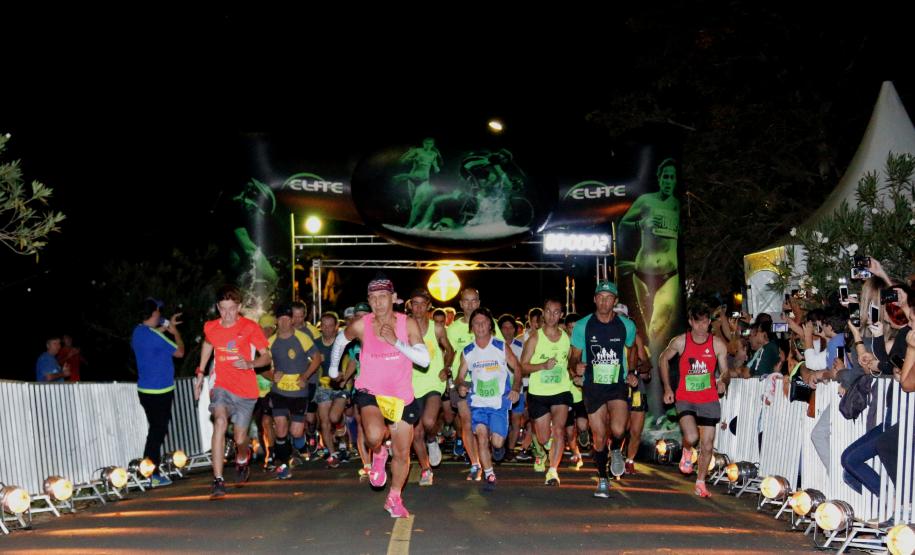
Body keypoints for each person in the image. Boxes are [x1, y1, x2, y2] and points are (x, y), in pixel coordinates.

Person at [327, 275, 429, 518]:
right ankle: (379, 452)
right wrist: (333, 368)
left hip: (401, 397)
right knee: (373, 436)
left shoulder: (408, 324)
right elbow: (342, 339)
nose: (378, 303)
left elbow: (424, 360)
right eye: (373, 298)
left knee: (403, 453)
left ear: (394, 299)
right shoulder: (363, 324)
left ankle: (394, 497)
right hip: (370, 392)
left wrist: (396, 342)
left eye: (383, 297)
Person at [194, 285, 272, 498]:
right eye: (223, 309)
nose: (227, 314)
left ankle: (241, 458)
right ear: (218, 307)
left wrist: (250, 363)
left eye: (231, 309)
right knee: (219, 421)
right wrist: (201, 373)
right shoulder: (211, 327)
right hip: (221, 385)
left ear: (239, 307)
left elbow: (266, 357)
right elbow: (208, 345)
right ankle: (218, 480)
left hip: (246, 391)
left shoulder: (250, 327)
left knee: (240, 438)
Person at [569, 281, 638, 498]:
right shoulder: (582, 326)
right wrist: (575, 367)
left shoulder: (626, 326)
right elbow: (573, 357)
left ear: (615, 301)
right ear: (594, 299)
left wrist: (632, 371)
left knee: (618, 429)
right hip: (593, 386)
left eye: (609, 297)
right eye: (600, 297)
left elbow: (632, 349)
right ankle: (602, 479)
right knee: (598, 436)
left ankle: (616, 448)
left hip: (616, 384)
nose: (604, 301)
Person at [658, 301, 729, 498]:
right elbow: (663, 358)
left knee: (707, 444)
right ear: (690, 322)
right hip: (686, 397)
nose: (701, 327)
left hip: (708, 398)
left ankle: (700, 482)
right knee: (692, 437)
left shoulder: (717, 345)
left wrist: (723, 381)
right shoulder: (681, 341)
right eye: (697, 323)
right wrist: (667, 388)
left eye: (705, 323)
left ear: (709, 323)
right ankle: (687, 450)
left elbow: (725, 372)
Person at [619, 158, 680, 373]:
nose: (668, 181)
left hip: (669, 274)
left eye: (672, 177)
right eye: (665, 176)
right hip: (642, 273)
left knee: (657, 325)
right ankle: (648, 370)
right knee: (646, 329)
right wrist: (640, 223)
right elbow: (623, 223)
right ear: (659, 178)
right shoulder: (646, 201)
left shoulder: (678, 204)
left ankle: (655, 368)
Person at [456, 307, 522, 490]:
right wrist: (460, 384)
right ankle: (489, 474)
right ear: (472, 327)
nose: (480, 326)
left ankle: (499, 448)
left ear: (490, 326)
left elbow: (517, 367)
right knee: (482, 436)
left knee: (497, 442)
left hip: (499, 402)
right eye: (476, 323)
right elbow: (459, 376)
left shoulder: (500, 346)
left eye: (484, 322)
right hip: (478, 403)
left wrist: (516, 387)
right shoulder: (468, 351)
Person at [131, 298, 185, 487]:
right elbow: (179, 352)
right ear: (153, 314)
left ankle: (150, 472)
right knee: (157, 432)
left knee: (155, 430)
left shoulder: (138, 332)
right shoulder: (155, 336)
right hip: (160, 391)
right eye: (158, 313)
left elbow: (155, 336)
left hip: (145, 390)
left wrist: (166, 326)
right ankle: (151, 473)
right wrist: (175, 332)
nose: (159, 316)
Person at [520, 298, 572, 485]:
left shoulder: (566, 337)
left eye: (556, 312)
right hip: (539, 393)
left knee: (559, 430)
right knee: (543, 437)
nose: (551, 315)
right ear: (543, 313)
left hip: (561, 390)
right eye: (548, 311)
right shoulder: (535, 337)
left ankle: (552, 471)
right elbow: (523, 367)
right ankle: (547, 445)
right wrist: (542, 365)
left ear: (561, 315)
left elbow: (570, 362)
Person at [268, 305, 322, 479]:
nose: (284, 322)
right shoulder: (270, 342)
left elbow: (317, 358)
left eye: (287, 318)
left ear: (292, 320)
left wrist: (305, 376)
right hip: (279, 392)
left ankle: (300, 445)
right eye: (280, 318)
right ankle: (283, 465)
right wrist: (271, 375)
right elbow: (261, 365)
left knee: (297, 431)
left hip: (299, 392)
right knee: (281, 428)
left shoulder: (302, 338)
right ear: (276, 320)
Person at [408, 289, 454, 486]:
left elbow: (450, 350)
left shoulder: (437, 328)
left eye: (422, 304)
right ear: (410, 305)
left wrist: (446, 367)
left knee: (428, 422)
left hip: (433, 381)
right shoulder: (403, 328)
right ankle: (426, 469)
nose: (418, 308)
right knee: (415, 433)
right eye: (414, 303)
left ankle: (432, 438)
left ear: (428, 306)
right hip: (410, 382)